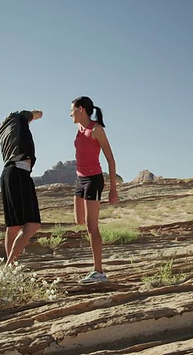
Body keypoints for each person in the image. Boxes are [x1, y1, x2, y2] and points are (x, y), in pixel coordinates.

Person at [70, 96, 118, 283]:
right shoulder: (79, 129)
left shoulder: (96, 130)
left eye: (72, 109)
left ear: (81, 109)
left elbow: (111, 160)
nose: (70, 114)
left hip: (93, 179)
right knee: (79, 220)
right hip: (80, 179)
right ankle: (97, 267)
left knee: (91, 226)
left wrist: (113, 189)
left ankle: (99, 271)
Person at [0, 109, 43, 265]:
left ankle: (11, 268)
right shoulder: (18, 118)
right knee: (33, 223)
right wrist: (35, 114)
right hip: (19, 173)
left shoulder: (6, 131)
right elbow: (31, 114)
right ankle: (10, 267)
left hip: (10, 173)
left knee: (14, 226)